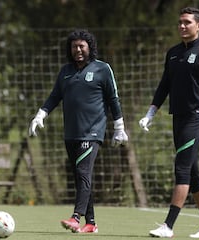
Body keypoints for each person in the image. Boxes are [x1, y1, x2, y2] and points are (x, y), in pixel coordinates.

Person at [29, 29, 128, 234]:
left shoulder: (102, 69)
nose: (78, 50)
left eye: (82, 46)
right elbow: (54, 96)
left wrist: (119, 127)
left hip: (92, 132)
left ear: (90, 47)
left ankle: (76, 217)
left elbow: (113, 99)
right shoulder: (66, 71)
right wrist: (40, 115)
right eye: (74, 46)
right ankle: (91, 223)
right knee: (81, 178)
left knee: (84, 173)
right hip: (71, 133)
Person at [139, 7, 199, 238]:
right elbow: (164, 84)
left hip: (197, 118)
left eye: (187, 22)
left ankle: (168, 225)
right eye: (180, 22)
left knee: (182, 169)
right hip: (178, 118)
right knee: (193, 172)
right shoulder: (173, 53)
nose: (182, 26)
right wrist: (150, 112)